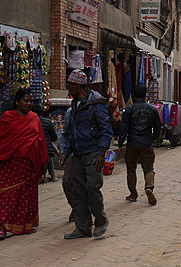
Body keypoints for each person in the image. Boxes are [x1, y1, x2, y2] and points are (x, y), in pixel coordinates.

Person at [60, 69, 113, 239]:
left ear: (78, 85)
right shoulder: (74, 104)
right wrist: (66, 152)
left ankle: (100, 220)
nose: (68, 88)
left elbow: (106, 130)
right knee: (78, 191)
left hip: (92, 152)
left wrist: (100, 153)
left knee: (92, 188)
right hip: (77, 153)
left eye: (70, 85)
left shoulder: (96, 103)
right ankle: (82, 227)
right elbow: (69, 132)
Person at [0, 88, 48, 241]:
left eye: (31, 101)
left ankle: (23, 225)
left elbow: (41, 140)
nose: (29, 104)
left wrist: (44, 162)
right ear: (17, 102)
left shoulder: (34, 118)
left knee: (26, 195)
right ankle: (1, 228)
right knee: (5, 195)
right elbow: (0, 140)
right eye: (26, 101)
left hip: (29, 165)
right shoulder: (7, 118)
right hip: (9, 164)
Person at [118, 85, 161, 205]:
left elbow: (124, 128)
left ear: (134, 96)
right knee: (148, 168)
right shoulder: (152, 109)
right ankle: (149, 187)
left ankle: (133, 194)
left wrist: (121, 143)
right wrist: (154, 138)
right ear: (145, 95)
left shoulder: (130, 109)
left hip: (132, 143)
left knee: (131, 169)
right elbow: (158, 127)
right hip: (147, 143)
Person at [33, 105, 58, 183]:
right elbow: (54, 137)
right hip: (47, 148)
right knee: (49, 160)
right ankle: (53, 175)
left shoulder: (31, 122)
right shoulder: (47, 122)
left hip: (35, 148)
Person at [61, 107, 76, 222]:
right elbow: (65, 133)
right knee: (67, 181)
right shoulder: (70, 111)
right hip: (73, 151)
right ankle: (76, 207)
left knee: (89, 184)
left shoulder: (94, 106)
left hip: (90, 151)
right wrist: (64, 152)